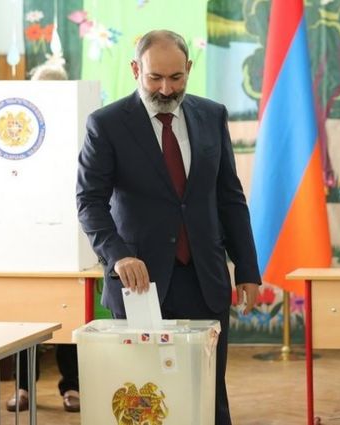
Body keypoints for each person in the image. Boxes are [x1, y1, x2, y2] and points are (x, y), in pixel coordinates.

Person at [76, 30, 262, 425]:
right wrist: (117, 254)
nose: (165, 89)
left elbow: (229, 197)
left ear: (189, 69)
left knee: (208, 393)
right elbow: (89, 201)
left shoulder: (212, 115)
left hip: (205, 279)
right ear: (135, 70)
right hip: (139, 283)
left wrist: (247, 268)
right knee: (144, 398)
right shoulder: (107, 124)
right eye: (155, 77)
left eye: (176, 77)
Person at [5, 61, 81, 414]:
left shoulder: (79, 125)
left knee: (72, 314)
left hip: (70, 238)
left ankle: (72, 385)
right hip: (28, 239)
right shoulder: (22, 127)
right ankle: (23, 387)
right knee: (26, 316)